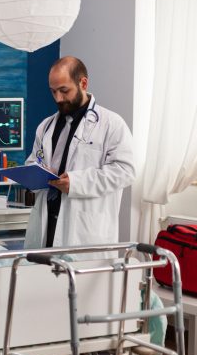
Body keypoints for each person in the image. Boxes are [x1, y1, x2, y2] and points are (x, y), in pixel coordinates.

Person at [24, 56, 135, 250]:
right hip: (46, 226)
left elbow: (125, 171)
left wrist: (76, 182)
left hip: (84, 231)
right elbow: (34, 160)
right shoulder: (46, 126)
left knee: (80, 278)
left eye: (64, 91)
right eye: (53, 92)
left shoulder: (111, 124)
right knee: (41, 276)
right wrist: (36, 172)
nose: (58, 98)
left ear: (83, 83)